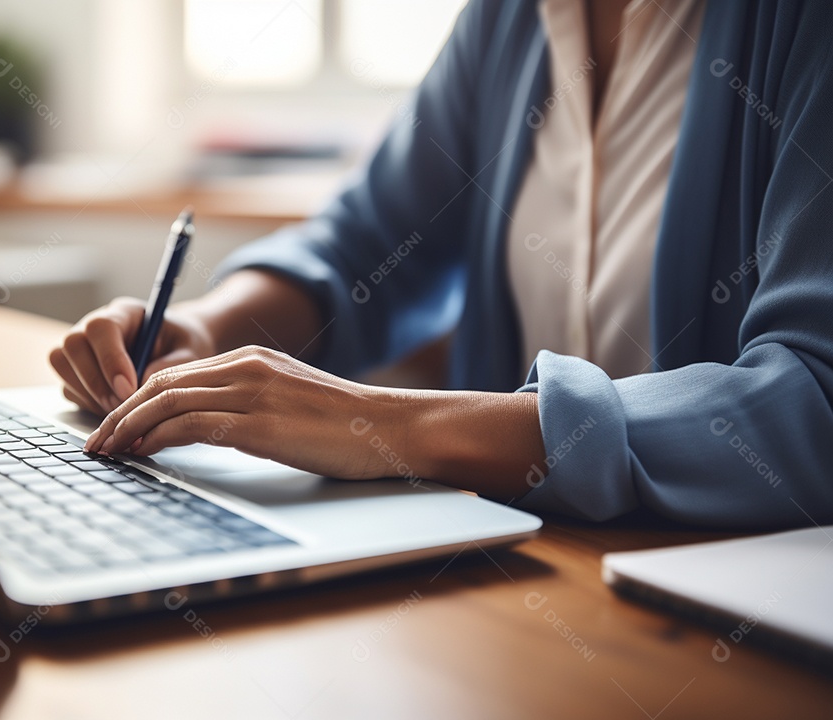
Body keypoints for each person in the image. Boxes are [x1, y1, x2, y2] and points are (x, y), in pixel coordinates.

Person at [50, 0, 833, 529]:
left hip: (707, 608)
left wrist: (392, 426)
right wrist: (206, 327)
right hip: (522, 565)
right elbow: (368, 243)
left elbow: (813, 395)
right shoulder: (509, 20)